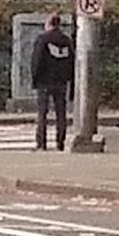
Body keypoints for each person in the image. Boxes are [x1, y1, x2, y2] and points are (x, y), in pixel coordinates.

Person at [30, 13, 77, 152]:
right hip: (61, 81)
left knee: (42, 114)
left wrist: (35, 79)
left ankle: (41, 143)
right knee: (60, 114)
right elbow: (71, 62)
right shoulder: (66, 41)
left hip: (44, 81)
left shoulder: (43, 39)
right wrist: (70, 80)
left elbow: (37, 61)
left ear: (49, 24)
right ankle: (60, 142)